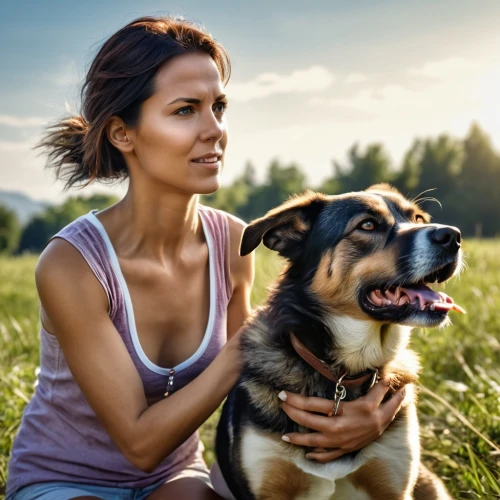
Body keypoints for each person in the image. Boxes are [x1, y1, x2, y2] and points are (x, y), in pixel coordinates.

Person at [5, 16, 406, 500]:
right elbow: (139, 443)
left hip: (173, 479)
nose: (214, 130)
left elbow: (271, 381)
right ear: (122, 133)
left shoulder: (233, 242)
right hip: (65, 480)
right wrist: (247, 345)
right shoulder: (71, 265)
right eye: (184, 111)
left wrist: (369, 413)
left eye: (218, 106)